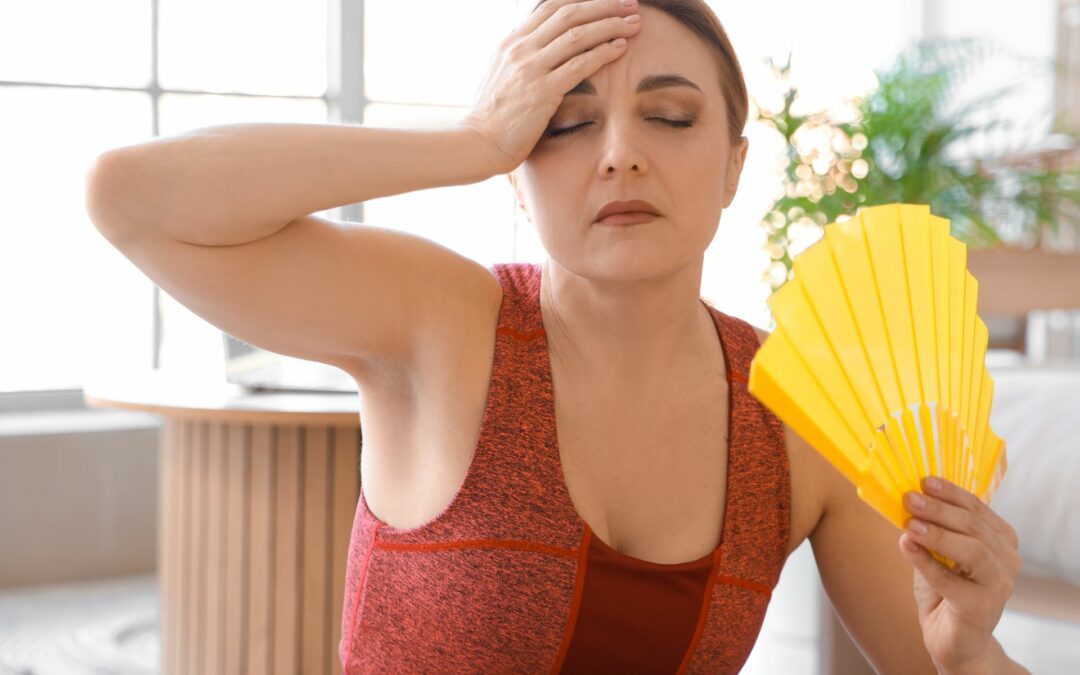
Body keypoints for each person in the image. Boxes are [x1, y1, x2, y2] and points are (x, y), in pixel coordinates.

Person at [84, 0, 1029, 672]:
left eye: (669, 115)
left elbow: (944, 661)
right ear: (517, 172)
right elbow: (128, 198)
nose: (620, 150)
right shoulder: (440, 321)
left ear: (735, 166)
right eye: (566, 124)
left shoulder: (798, 418)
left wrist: (972, 653)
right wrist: (468, 142)